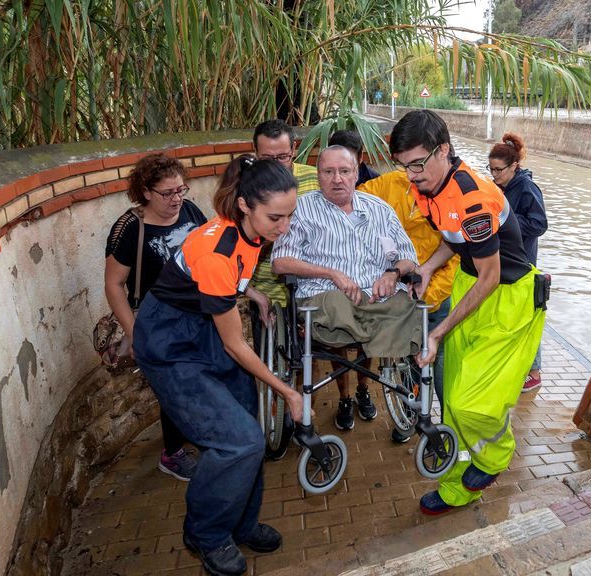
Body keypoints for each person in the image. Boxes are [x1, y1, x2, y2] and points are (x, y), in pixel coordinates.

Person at [132, 156, 303, 576]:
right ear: (244, 205)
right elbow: (234, 343)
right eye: (275, 218)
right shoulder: (217, 250)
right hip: (171, 344)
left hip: (203, 328)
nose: (284, 227)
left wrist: (251, 294)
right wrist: (287, 390)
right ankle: (206, 535)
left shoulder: (251, 232)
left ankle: (241, 523)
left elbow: (228, 289)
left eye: (289, 216)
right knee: (237, 441)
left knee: (250, 432)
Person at [389, 110, 545, 516]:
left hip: (506, 300)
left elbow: (491, 276)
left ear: (443, 150)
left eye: (417, 164)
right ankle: (457, 487)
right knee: (452, 403)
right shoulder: (428, 186)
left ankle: (494, 458)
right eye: (404, 166)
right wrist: (427, 267)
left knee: (472, 402)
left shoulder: (473, 199)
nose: (411, 176)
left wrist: (438, 331)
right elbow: (453, 238)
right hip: (468, 286)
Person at [272, 145, 420, 433]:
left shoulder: (379, 209)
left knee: (404, 304)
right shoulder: (300, 210)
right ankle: (351, 385)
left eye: (344, 171)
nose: (337, 178)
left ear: (356, 173)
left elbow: (408, 256)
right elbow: (280, 262)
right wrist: (332, 273)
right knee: (339, 308)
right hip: (326, 296)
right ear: (318, 175)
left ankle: (367, 376)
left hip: (374, 296)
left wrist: (393, 273)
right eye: (328, 172)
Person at [104, 153, 207, 481]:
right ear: (146, 191)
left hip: (196, 315)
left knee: (197, 381)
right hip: (158, 323)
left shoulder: (190, 211)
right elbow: (113, 285)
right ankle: (172, 454)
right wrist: (135, 333)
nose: (177, 199)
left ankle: (198, 435)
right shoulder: (129, 228)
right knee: (174, 388)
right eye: (167, 193)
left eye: (181, 190)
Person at [358, 170, 459, 427]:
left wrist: (429, 294)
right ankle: (409, 417)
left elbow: (455, 257)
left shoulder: (452, 197)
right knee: (406, 357)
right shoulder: (389, 183)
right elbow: (352, 201)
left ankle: (447, 423)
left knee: (441, 363)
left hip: (434, 295)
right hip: (398, 292)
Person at [487, 133, 548, 392]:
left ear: (514, 166)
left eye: (498, 170)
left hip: (523, 263)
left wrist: (506, 221)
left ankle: (534, 371)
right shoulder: (502, 187)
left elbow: (539, 224)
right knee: (511, 316)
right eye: (490, 169)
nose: (494, 174)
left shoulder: (526, 188)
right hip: (507, 260)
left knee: (527, 317)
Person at [249, 119, 321, 308]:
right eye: (266, 159)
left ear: (294, 149)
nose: (275, 166)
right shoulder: (246, 186)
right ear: (255, 151)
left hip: (316, 285)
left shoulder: (316, 179)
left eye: (282, 157)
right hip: (267, 290)